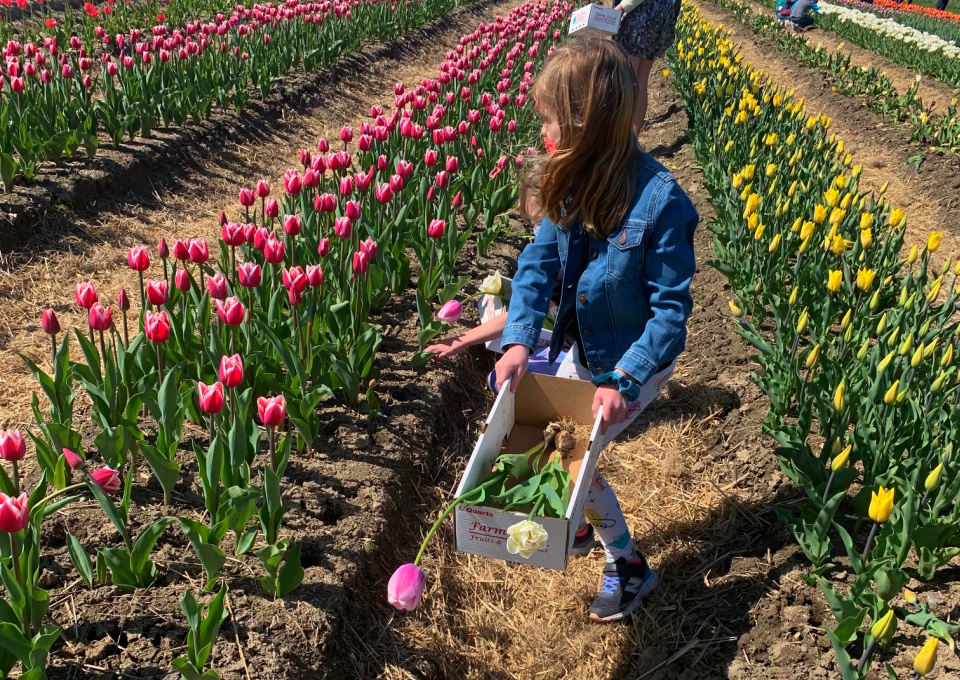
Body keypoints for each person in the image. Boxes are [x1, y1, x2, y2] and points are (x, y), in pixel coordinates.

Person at [494, 36, 698, 623]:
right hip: (588, 347)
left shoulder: (661, 203)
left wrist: (623, 381)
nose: (542, 136)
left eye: (550, 122)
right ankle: (582, 527)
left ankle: (629, 565)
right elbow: (538, 263)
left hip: (635, 359)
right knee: (562, 451)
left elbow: (669, 315)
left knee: (577, 457)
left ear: (584, 124)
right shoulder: (571, 179)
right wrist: (517, 341)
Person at [612, 0, 682, 131]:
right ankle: (632, 138)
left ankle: (622, 139)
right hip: (660, 12)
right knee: (640, 81)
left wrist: (622, 7)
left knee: (627, 79)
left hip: (640, 13)